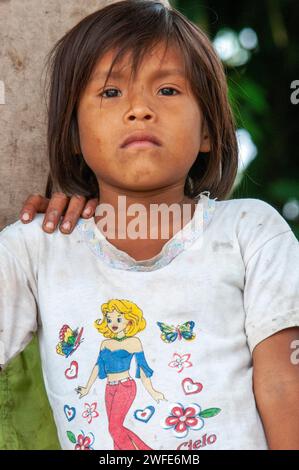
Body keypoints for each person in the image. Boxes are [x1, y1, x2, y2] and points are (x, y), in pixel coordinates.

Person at [1, 0, 299, 451]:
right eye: (111, 92)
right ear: (73, 135)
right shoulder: (34, 248)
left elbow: (283, 384)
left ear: (207, 132)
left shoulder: (251, 231)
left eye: (167, 91)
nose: (139, 109)